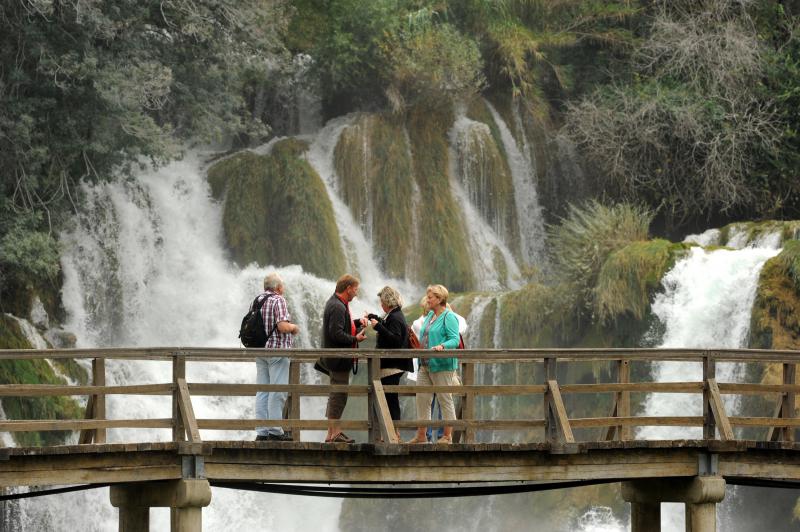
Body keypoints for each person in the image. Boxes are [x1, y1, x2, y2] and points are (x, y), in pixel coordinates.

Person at [407, 284, 461, 445]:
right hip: (424, 364)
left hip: (442, 365)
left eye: (430, 297)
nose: (427, 299)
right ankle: (422, 435)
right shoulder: (430, 315)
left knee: (445, 399)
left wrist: (442, 346)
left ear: (439, 299)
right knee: (422, 399)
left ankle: (447, 436)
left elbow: (455, 339)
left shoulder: (448, 317)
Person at [320, 274, 367, 443]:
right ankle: (335, 432)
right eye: (355, 289)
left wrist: (357, 323)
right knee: (339, 395)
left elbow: (340, 326)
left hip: (335, 358)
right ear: (348, 288)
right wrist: (356, 339)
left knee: (336, 393)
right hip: (338, 359)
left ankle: (331, 433)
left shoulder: (336, 303)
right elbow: (337, 333)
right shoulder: (338, 306)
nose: (356, 292)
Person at [254, 272, 300, 442]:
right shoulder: (278, 299)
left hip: (260, 351)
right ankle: (275, 430)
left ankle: (262, 431)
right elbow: (282, 326)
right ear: (279, 287)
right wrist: (294, 327)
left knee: (262, 390)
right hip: (277, 351)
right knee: (277, 390)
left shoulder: (257, 300)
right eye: (283, 286)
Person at [368, 286, 413, 440]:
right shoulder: (393, 315)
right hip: (391, 365)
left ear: (387, 301)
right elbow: (388, 327)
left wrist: (378, 327)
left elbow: (395, 339)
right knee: (388, 398)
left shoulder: (395, 317)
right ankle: (391, 432)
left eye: (382, 301)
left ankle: (394, 433)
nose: (381, 304)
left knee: (390, 399)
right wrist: (375, 318)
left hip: (393, 366)